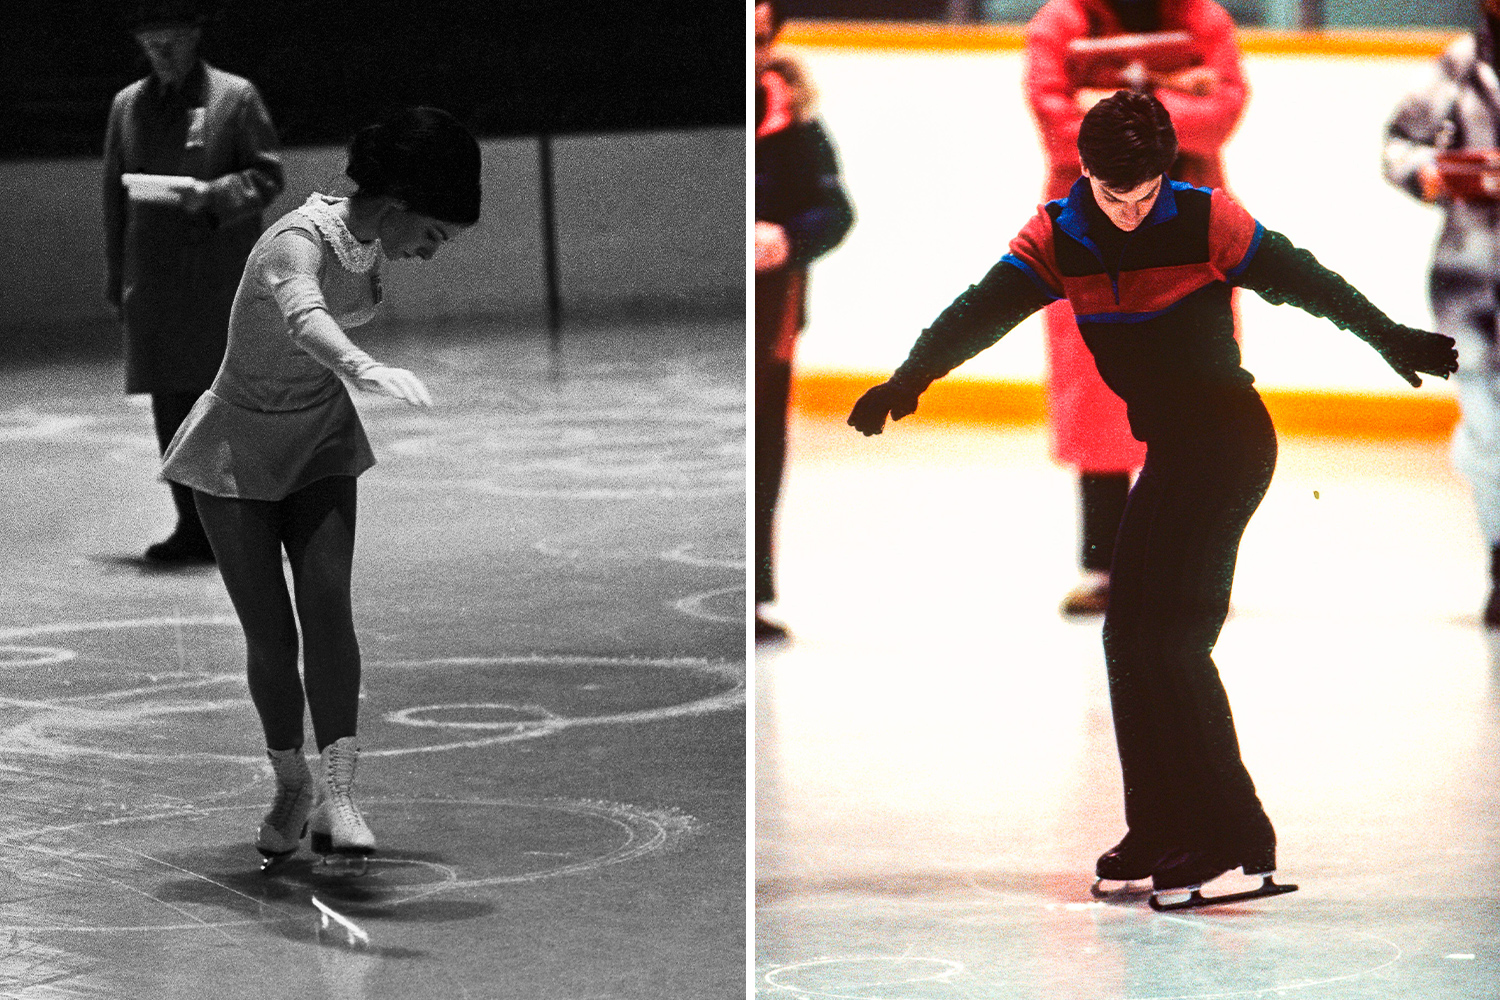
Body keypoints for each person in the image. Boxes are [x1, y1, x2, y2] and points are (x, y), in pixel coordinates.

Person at [849, 92, 1456, 909]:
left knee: (1170, 640)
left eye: (1143, 197)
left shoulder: (1208, 220)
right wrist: (909, 378)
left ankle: (1232, 843)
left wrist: (1394, 340)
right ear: (1086, 175)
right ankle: (1158, 827)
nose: (1129, 214)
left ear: (1165, 174)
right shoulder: (1059, 236)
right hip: (1172, 451)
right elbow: (979, 311)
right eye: (1111, 195)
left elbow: (1308, 281)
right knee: (1128, 637)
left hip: (1229, 445)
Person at [161, 107, 481, 868]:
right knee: (272, 635)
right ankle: (291, 783)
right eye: (432, 235)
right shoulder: (294, 241)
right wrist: (364, 367)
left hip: (320, 439)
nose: (429, 254)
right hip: (237, 446)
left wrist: (347, 382)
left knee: (329, 610)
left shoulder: (368, 241)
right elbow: (304, 317)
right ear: (398, 202)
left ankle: (342, 794)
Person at [1024, 0, 1246, 614]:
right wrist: (1174, 90)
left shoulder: (1207, 19)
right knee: (1098, 397)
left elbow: (1220, 117)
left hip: (1191, 230)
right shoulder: (1059, 23)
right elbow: (1060, 134)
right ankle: (1109, 570)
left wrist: (1105, 97)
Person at [103, 0, 284, 563]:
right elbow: (114, 198)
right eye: (151, 44)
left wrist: (213, 196)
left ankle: (247, 523)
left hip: (218, 282)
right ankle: (191, 525)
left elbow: (267, 175)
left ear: (195, 37)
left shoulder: (235, 97)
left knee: (226, 404)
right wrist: (118, 278)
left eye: (172, 42)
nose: (161, 53)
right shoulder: (126, 107)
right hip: (155, 283)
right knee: (171, 409)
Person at [1384, 0, 1500, 626]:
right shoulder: (1456, 68)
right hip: (1470, 278)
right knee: (1484, 427)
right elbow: (1397, 147)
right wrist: (1429, 173)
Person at [755, 0, 855, 642]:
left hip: (774, 315)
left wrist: (788, 238)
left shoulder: (795, 115)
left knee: (766, 445)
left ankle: (756, 594)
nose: (757, 50)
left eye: (763, 37)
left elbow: (835, 209)